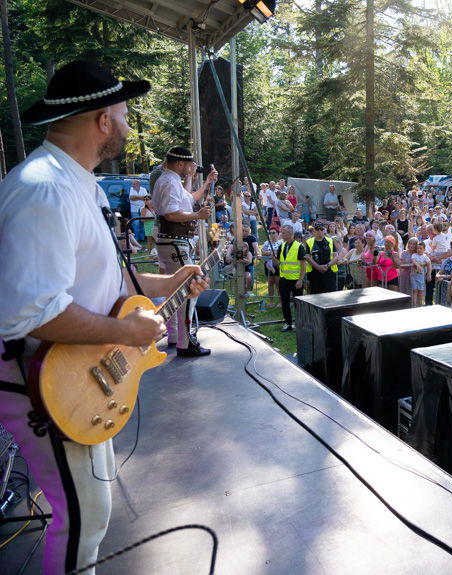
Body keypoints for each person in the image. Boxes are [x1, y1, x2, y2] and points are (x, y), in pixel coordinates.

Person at [0, 61, 208, 575]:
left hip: (77, 374)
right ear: (101, 121)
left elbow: (109, 284)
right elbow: (33, 312)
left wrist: (173, 282)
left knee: (90, 513)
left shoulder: (79, 184)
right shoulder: (44, 189)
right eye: (124, 112)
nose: (128, 123)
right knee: (84, 517)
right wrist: (128, 332)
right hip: (45, 378)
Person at [151, 145, 218, 357]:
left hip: (171, 242)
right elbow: (171, 214)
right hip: (175, 241)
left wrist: (205, 182)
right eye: (189, 164)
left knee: (173, 289)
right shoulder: (169, 182)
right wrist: (197, 216)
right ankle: (185, 341)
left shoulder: (170, 180)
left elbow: (189, 199)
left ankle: (173, 335)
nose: (192, 168)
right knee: (190, 288)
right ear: (180, 163)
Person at [277, 226, 306, 331]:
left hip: (296, 280)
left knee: (298, 303)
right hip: (284, 279)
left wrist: (300, 279)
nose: (282, 235)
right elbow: (279, 262)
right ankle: (288, 323)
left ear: (290, 233)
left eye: (283, 233)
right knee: (284, 302)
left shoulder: (299, 247)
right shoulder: (282, 246)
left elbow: (303, 264)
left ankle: (299, 324)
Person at [305, 221, 338, 293]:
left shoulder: (330, 240)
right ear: (314, 230)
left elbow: (336, 256)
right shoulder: (309, 242)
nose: (319, 231)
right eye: (317, 229)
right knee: (316, 296)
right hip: (315, 273)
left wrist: (328, 265)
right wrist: (318, 267)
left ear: (324, 230)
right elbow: (307, 257)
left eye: (321, 229)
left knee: (331, 295)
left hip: (329, 271)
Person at [411, 240, 432, 306]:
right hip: (414, 276)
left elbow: (429, 265)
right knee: (414, 291)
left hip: (421, 277)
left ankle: (420, 305)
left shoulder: (425, 257)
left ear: (424, 249)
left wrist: (429, 274)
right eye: (417, 248)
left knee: (420, 292)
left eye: (420, 248)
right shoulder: (414, 255)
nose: (419, 250)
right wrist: (419, 265)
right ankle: (414, 305)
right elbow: (413, 261)